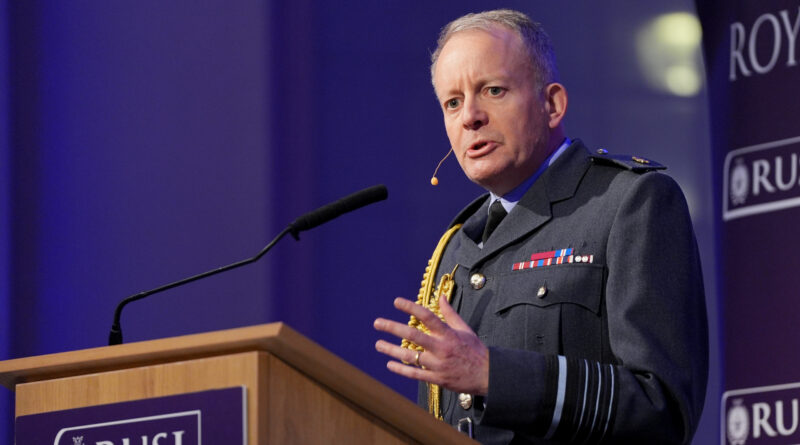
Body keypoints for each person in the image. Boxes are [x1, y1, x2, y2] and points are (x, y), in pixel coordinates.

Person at [373, 9, 708, 445]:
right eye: (452, 102)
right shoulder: (457, 245)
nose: (469, 116)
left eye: (493, 90)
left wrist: (494, 375)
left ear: (552, 105)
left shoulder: (630, 203)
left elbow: (661, 408)